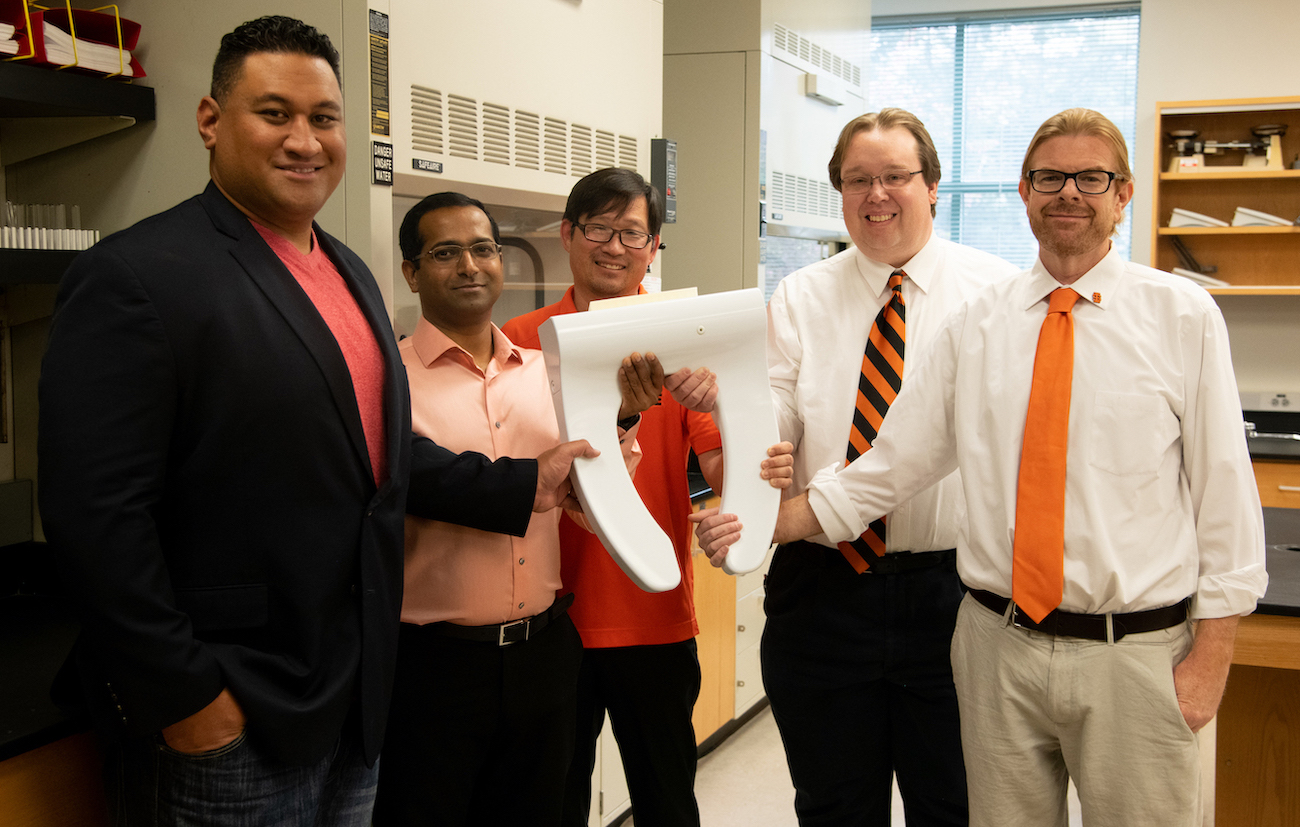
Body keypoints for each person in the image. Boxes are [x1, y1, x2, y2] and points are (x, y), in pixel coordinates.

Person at [38, 17, 591, 827]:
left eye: (324, 119)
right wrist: (187, 696)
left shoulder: (347, 273)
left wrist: (523, 483)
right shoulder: (139, 276)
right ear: (210, 120)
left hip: (349, 697)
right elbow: (94, 517)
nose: (305, 140)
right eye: (275, 113)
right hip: (232, 705)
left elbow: (373, 452)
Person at [696, 108, 1268, 826]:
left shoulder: (1180, 314)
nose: (1068, 193)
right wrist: (771, 517)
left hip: (1129, 648)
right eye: (1049, 177)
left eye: (1090, 177)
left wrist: (1212, 654)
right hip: (995, 639)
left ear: (1123, 194)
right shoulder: (983, 322)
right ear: (1021, 193)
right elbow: (894, 461)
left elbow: (1224, 496)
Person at [706, 109, 1017, 827]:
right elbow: (776, 410)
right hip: (823, 593)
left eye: (894, 177)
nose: (876, 194)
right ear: (839, 193)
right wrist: (745, 432)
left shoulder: (995, 294)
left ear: (932, 185)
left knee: (955, 805)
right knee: (834, 806)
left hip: (954, 592)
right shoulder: (801, 295)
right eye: (857, 180)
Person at [372, 191, 696, 825]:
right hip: (434, 666)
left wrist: (623, 417)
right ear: (411, 271)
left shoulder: (548, 374)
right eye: (445, 252)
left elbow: (586, 501)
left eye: (483, 249)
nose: (469, 265)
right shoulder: (387, 383)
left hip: (543, 657)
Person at [503, 167, 777, 827]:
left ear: (653, 246)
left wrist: (748, 436)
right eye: (599, 227)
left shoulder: (686, 341)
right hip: (548, 619)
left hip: (653, 618)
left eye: (632, 232)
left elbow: (720, 463)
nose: (615, 246)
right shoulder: (520, 340)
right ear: (568, 234)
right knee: (551, 803)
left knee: (666, 800)